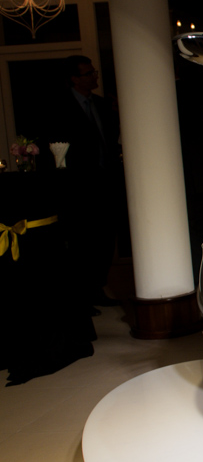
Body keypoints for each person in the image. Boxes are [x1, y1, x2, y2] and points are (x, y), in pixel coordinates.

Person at [44, 55, 124, 315]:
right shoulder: (60, 107)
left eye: (94, 72)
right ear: (74, 79)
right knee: (83, 242)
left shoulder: (101, 105)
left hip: (105, 182)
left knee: (104, 239)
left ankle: (98, 288)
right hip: (79, 186)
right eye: (88, 73)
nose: (94, 77)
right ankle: (82, 296)